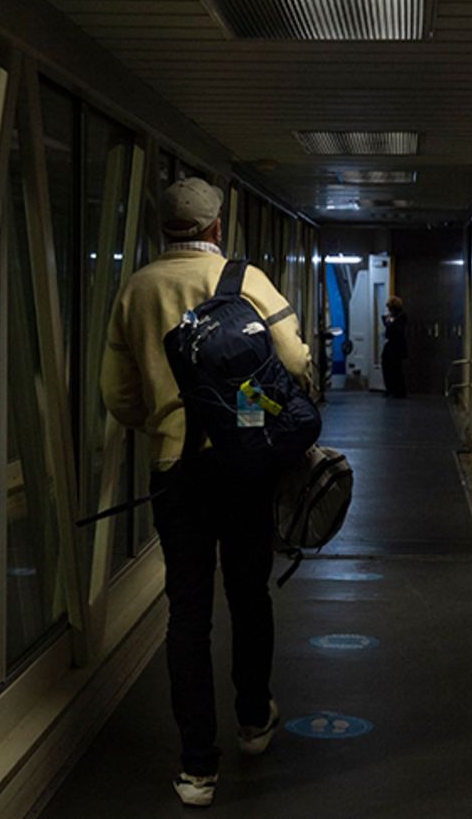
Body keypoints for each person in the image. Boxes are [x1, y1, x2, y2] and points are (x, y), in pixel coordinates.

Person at [100, 177, 312, 808]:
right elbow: (296, 361)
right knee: (248, 593)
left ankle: (197, 767)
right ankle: (253, 719)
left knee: (187, 611)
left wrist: (163, 423)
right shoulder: (247, 282)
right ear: (217, 227)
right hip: (246, 466)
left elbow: (117, 395)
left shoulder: (136, 289)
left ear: (163, 229)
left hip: (176, 470)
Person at [381, 294, 408, 398]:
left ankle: (397, 390)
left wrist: (388, 322)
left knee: (396, 369)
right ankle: (392, 389)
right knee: (390, 367)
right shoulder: (397, 317)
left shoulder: (401, 316)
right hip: (394, 344)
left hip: (396, 345)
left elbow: (396, 329)